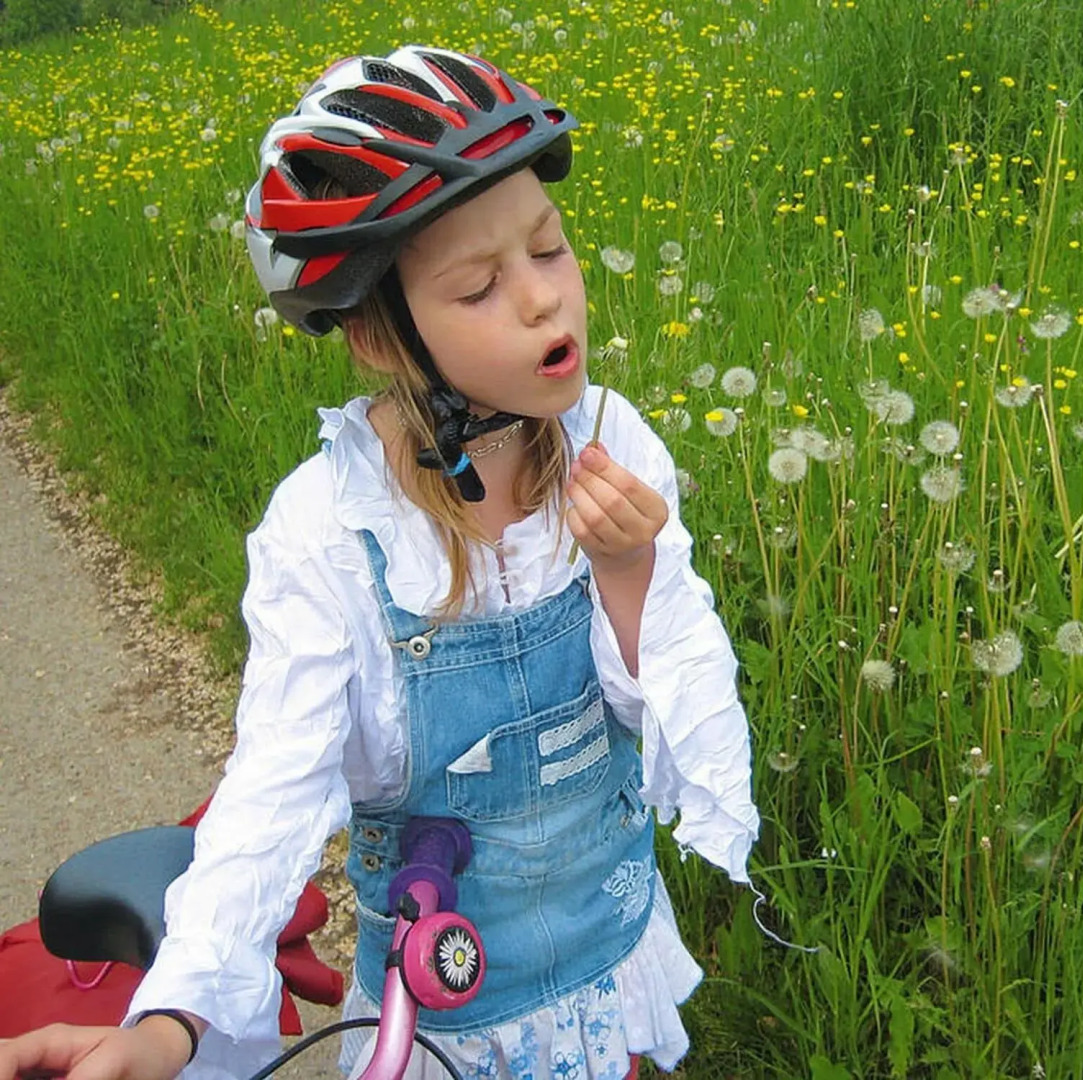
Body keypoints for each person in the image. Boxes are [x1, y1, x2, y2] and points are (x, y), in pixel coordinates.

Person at [0, 45, 758, 1080]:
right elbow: (274, 789)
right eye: (481, 285)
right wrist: (168, 1021)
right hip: (434, 1027)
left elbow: (667, 717)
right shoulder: (328, 533)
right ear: (375, 335)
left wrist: (629, 574)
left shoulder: (614, 442)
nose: (545, 301)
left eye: (549, 248)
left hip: (604, 986)